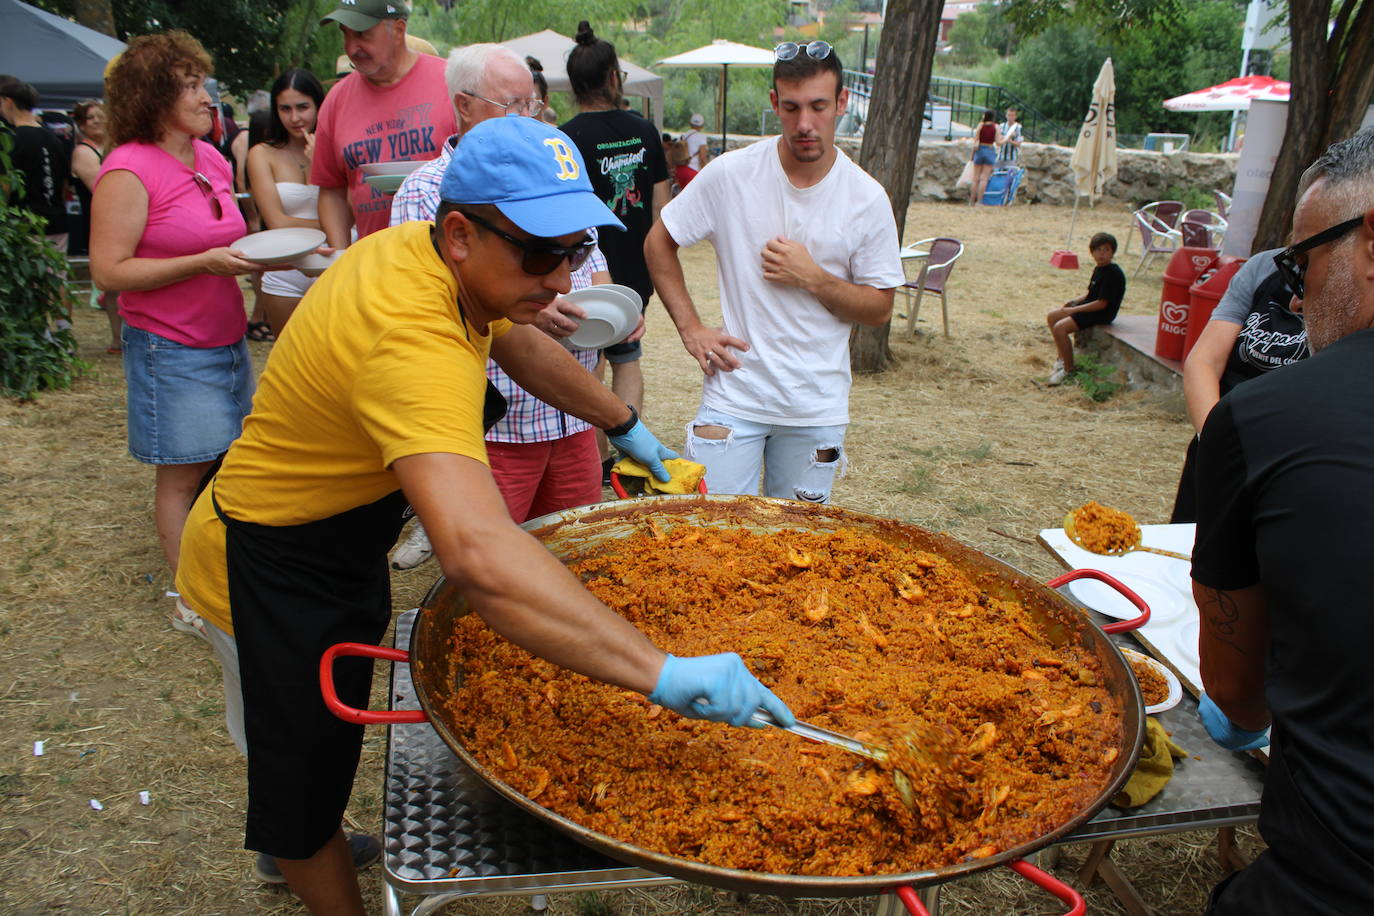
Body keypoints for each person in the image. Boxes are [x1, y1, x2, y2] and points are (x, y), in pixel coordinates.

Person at [174, 115, 793, 914]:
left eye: (573, 251)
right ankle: (303, 850)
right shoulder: (409, 333)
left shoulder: (438, 257)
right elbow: (475, 551)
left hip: (340, 539)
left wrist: (625, 425)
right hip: (264, 562)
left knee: (322, 756)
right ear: (462, 233)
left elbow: (515, 338)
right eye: (539, 255)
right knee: (298, 800)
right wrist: (660, 672)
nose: (562, 281)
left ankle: (318, 828)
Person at [1192, 126, 1374, 915]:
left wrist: (1245, 713)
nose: (1295, 296)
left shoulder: (1266, 417)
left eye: (1303, 263)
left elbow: (1237, 693)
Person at [388, 45, 618, 568]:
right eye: (511, 105)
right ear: (464, 105)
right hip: (502, 425)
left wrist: (605, 306)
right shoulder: (427, 191)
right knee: (494, 564)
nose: (527, 118)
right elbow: (450, 310)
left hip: (571, 416)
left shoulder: (551, 172)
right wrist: (534, 309)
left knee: (579, 555)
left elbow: (592, 258)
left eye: (532, 104)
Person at [644, 40, 902, 502]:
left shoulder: (866, 197)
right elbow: (658, 242)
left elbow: (880, 307)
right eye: (791, 107)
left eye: (819, 106)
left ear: (842, 102)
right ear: (774, 103)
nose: (805, 124)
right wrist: (691, 329)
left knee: (797, 540)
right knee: (718, 533)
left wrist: (813, 277)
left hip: (815, 406)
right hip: (734, 396)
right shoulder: (731, 174)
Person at [89, 32, 261, 585]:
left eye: (203, 83)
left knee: (228, 464)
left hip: (226, 339)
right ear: (152, 97)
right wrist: (201, 263)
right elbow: (108, 271)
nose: (207, 97)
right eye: (190, 86)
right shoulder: (128, 168)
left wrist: (281, 258)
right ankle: (191, 596)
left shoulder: (209, 156)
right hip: (169, 346)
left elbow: (226, 240)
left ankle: (223, 577)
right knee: (184, 478)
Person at [560, 20, 671, 475]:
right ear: (613, 77)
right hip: (636, 271)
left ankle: (599, 460)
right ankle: (629, 457)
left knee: (589, 364)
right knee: (626, 358)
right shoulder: (644, 131)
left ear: (573, 85)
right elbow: (662, 209)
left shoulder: (564, 139)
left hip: (582, 270)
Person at [1170, 248, 1308, 521]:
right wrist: (1217, 443)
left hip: (1290, 463)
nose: (1295, 304)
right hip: (1222, 440)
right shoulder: (1263, 267)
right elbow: (1204, 360)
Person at [311, 0, 456, 244]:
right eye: (345, 34)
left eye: (362, 34)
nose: (351, 48)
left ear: (398, 29)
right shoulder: (336, 100)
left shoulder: (451, 83)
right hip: (376, 257)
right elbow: (331, 191)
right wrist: (341, 252)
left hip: (446, 253)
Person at [247, 68, 327, 334]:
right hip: (285, 266)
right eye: (285, 109)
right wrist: (332, 225)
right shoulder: (262, 153)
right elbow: (276, 221)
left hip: (334, 262)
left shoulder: (335, 148)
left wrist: (321, 165)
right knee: (287, 354)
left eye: (303, 107)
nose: (295, 118)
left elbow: (352, 209)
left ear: (319, 105)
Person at [69, 99, 123, 354]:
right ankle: (118, 337)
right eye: (91, 118)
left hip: (121, 219)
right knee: (113, 283)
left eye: (102, 115)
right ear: (81, 124)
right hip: (102, 222)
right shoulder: (84, 152)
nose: (98, 121)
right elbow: (102, 189)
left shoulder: (114, 147)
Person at [0, 75, 70, 251]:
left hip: (24, 226)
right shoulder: (55, 140)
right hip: (57, 223)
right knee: (56, 268)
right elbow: (64, 184)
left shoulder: (11, 140)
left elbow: (5, 186)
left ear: (8, 102)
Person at [1044, 232, 1124, 385]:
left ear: (1112, 252)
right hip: (1090, 306)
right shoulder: (1099, 268)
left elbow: (1102, 303)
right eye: (1098, 250)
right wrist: (1074, 302)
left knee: (1060, 328)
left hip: (1101, 313)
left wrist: (1074, 310)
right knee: (1052, 316)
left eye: (1106, 250)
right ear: (1092, 252)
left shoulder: (1113, 273)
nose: (1102, 254)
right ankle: (1061, 360)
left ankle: (1068, 370)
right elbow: (1091, 294)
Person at [969, 108, 998, 205]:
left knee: (975, 178)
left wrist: (972, 155)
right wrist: (1007, 139)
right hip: (989, 150)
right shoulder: (995, 127)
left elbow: (976, 140)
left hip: (980, 149)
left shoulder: (980, 125)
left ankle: (971, 200)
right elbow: (998, 141)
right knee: (984, 178)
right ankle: (979, 201)